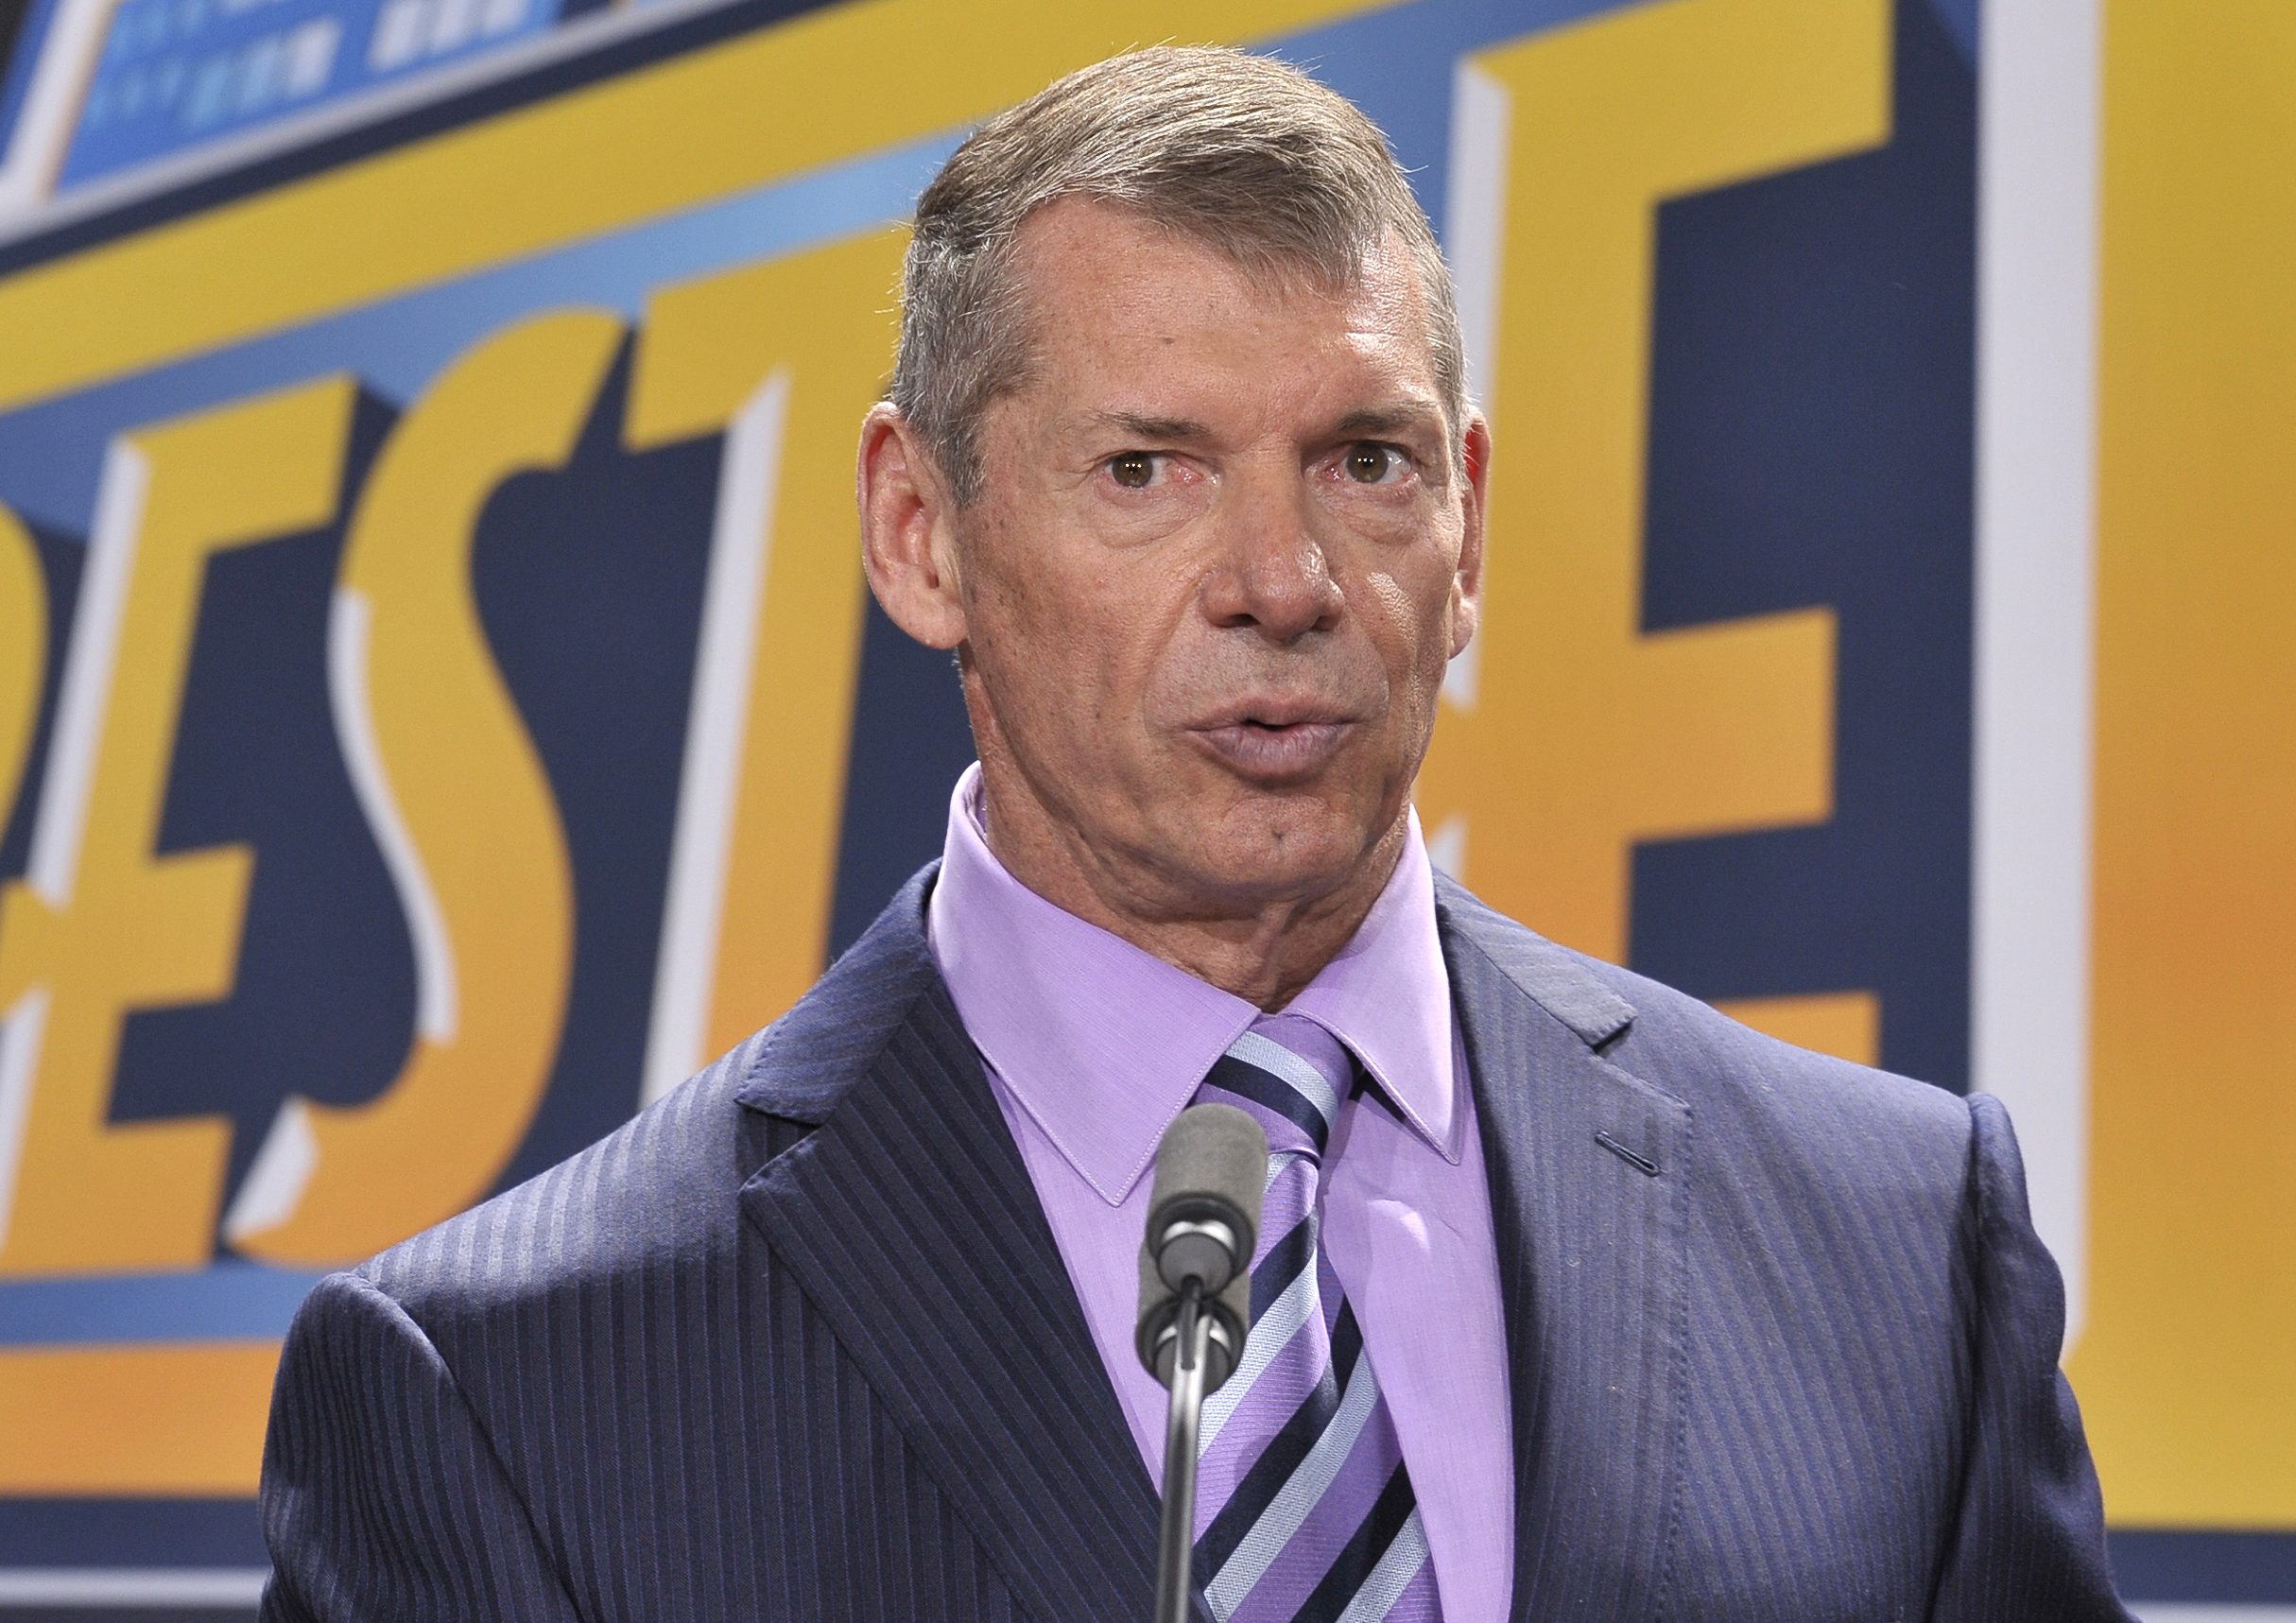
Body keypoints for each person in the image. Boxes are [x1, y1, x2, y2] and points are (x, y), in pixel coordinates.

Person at [259, 46, 2134, 1623]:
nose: (1281, 580)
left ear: (1465, 521)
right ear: (922, 535)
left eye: (1363, 461)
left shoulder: (1894, 1251)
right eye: (1144, 468)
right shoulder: (503, 1397)